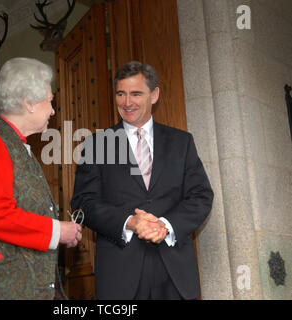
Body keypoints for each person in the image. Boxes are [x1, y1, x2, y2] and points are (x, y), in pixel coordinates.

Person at [71, 61, 214, 300]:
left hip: (176, 275)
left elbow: (201, 195)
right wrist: (129, 222)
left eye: (136, 94)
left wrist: (165, 226)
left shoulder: (182, 142)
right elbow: (83, 202)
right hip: (120, 276)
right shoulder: (96, 145)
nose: (127, 103)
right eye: (121, 94)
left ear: (154, 94)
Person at [0, 57, 82, 300]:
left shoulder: (16, 141)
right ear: (29, 103)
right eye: (50, 100)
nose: (52, 109)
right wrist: (58, 231)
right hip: (11, 287)